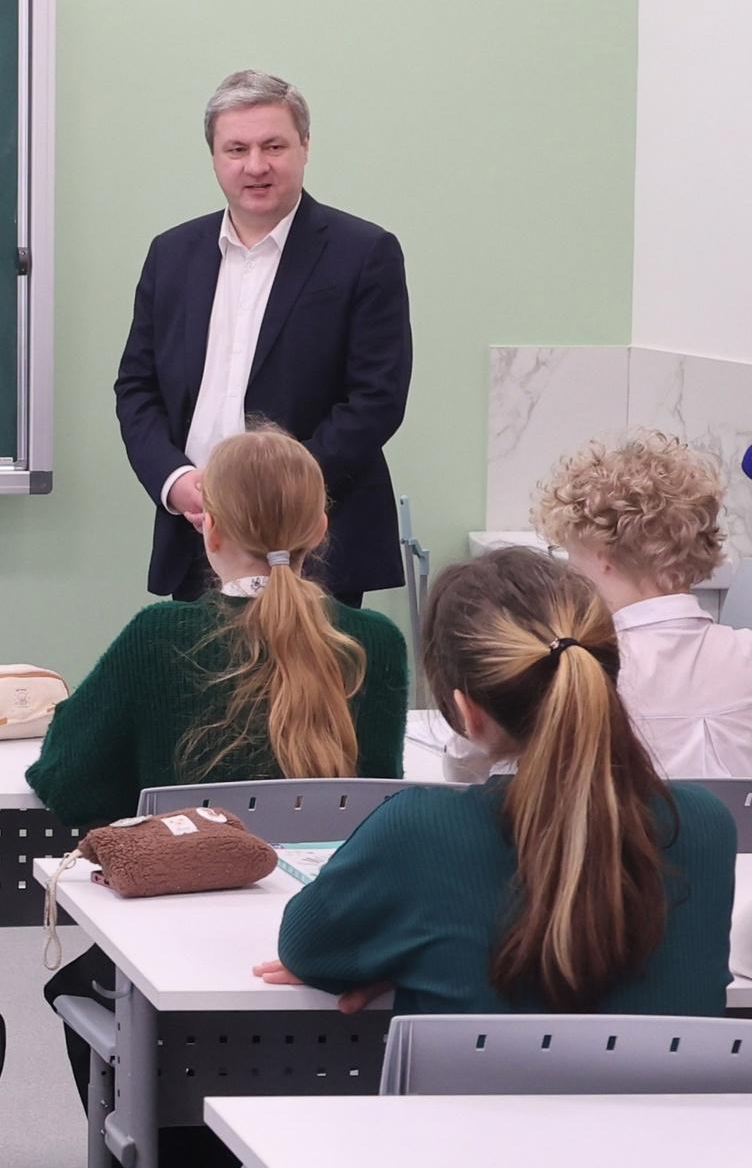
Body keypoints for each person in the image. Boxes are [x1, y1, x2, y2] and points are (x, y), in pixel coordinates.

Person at [28, 426, 409, 1147]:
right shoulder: (373, 643)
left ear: (211, 527)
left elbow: (65, 780)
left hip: (183, 956)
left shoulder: (161, 633)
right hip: (330, 951)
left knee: (74, 988)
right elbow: (375, 805)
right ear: (321, 527)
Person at [264, 547, 736, 1015]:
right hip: (674, 1094)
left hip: (466, 1094)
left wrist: (408, 955)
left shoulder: (419, 831)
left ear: (468, 714)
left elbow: (305, 949)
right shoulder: (704, 826)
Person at [114, 71, 411, 607]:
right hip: (198, 533)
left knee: (313, 693)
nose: (255, 165)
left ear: (304, 147)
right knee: (201, 689)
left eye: (273, 146)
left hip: (313, 540)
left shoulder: (363, 252)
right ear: (214, 156)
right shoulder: (171, 254)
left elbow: (377, 399)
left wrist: (276, 496)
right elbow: (136, 388)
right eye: (237, 149)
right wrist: (174, 480)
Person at [531, 432, 744, 778]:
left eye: (570, 554)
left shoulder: (577, 670)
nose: (569, 572)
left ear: (603, 556)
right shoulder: (745, 656)